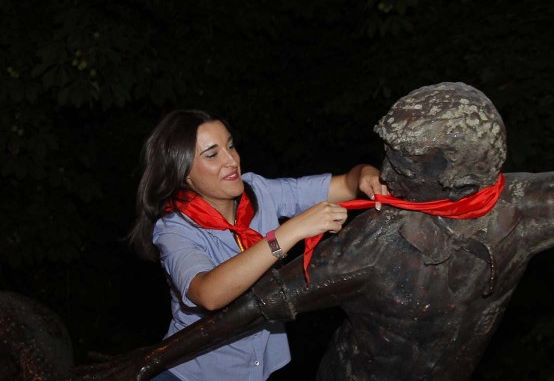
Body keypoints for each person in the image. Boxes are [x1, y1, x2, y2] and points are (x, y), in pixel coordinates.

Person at [70, 0, 554, 381]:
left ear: (447, 172)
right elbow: (234, 306)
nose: (387, 165)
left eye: (400, 157)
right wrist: (147, 365)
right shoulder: (390, 236)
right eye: (214, 152)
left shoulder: (516, 209)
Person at [126, 110, 386, 381]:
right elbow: (208, 293)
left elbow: (345, 183)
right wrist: (290, 232)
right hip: (194, 373)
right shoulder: (174, 229)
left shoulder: (258, 191)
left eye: (230, 146)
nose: (232, 160)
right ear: (183, 174)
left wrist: (366, 174)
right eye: (212, 155)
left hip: (261, 370)